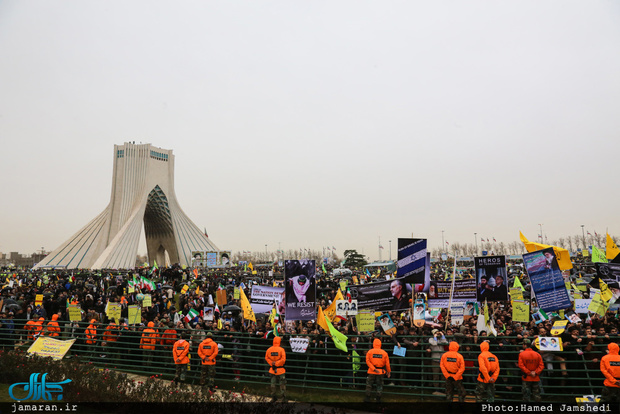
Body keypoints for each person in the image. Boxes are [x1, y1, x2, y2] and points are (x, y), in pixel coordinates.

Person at [365, 338, 391, 403]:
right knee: (379, 385)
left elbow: (367, 361)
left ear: (373, 344)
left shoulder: (370, 352)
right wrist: (388, 372)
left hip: (371, 371)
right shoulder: (384, 353)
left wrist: (373, 369)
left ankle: (367, 398)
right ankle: (378, 399)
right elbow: (387, 364)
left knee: (369, 384)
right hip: (381, 372)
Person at [265, 336, 286, 402]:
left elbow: (266, 357)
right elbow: (283, 360)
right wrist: (277, 363)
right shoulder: (281, 349)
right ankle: (283, 398)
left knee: (273, 384)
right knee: (282, 384)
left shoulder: (269, 349)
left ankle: (273, 397)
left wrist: (272, 363)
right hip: (280, 369)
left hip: (272, 369)